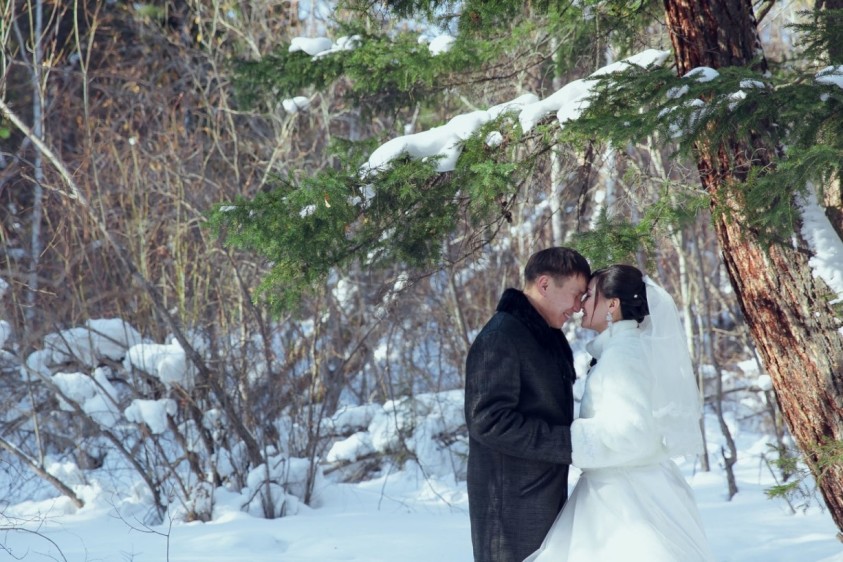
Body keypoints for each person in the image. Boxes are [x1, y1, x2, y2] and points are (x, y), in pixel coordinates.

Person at [525, 264, 715, 562]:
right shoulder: (623, 349)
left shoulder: (623, 356)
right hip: (621, 488)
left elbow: (632, 433)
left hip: (625, 503)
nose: (581, 305)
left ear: (612, 304)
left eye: (589, 295)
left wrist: (568, 439)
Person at [465, 247, 591, 562]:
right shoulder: (501, 337)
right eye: (575, 295)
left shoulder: (543, 335)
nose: (578, 307)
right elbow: (487, 420)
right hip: (508, 509)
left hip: (540, 496)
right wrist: (567, 443)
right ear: (545, 284)